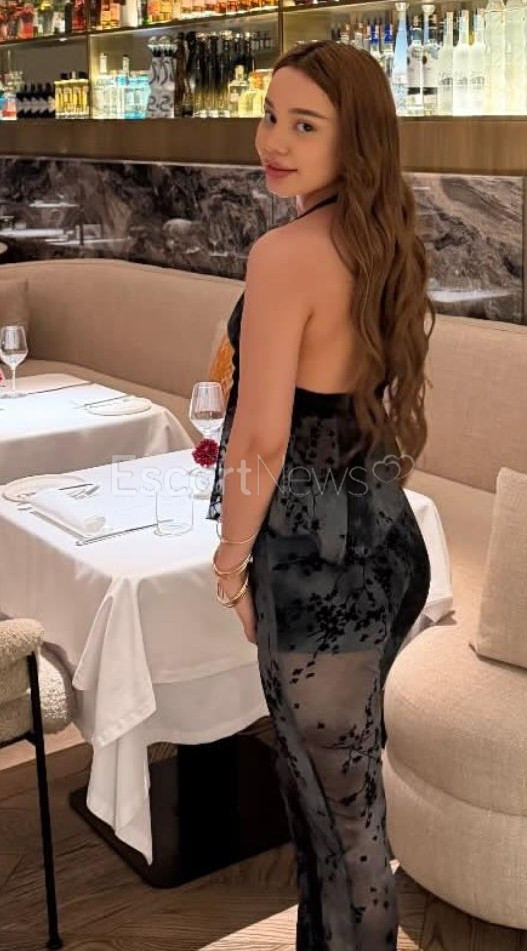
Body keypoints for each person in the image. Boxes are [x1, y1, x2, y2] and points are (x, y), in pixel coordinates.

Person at [206, 39, 434, 951]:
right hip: (386, 546)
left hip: (316, 566)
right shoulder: (384, 236)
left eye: (305, 125)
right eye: (270, 116)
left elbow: (261, 439)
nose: (274, 140)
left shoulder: (284, 253)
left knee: (341, 827)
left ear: (355, 139)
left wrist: (229, 561)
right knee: (332, 804)